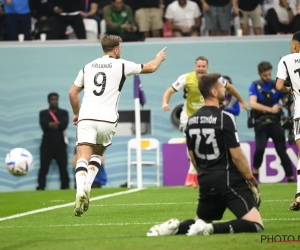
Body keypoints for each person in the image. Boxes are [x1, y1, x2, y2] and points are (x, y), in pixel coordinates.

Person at [147, 73, 263, 237]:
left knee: (199, 222)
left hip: (206, 180)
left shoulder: (192, 121)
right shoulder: (225, 118)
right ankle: (212, 230)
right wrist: (250, 178)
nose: (224, 88)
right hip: (229, 179)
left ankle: (173, 229)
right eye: (221, 86)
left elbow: (192, 156)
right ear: (214, 93)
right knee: (256, 224)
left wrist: (204, 173)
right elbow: (237, 156)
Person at [69, 34, 167, 217]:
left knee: (82, 155)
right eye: (120, 48)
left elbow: (72, 93)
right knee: (98, 153)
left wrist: (76, 113)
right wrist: (158, 58)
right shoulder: (122, 65)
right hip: (107, 120)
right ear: (116, 49)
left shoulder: (88, 67)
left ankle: (80, 189)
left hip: (87, 118)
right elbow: (152, 67)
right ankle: (88, 186)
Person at [162, 56, 248, 188]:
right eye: (198, 66)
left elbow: (230, 88)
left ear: (207, 67)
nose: (201, 69)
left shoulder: (214, 79)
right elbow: (169, 90)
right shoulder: (186, 78)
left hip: (207, 115)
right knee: (191, 142)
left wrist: (242, 101)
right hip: (189, 117)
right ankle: (193, 175)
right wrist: (164, 103)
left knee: (205, 144)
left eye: (203, 66)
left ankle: (197, 175)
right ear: (195, 66)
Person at [249, 61, 294, 183]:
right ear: (260, 74)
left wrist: (289, 103)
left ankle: (290, 177)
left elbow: (285, 101)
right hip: (261, 123)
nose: (267, 77)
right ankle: (255, 173)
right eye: (265, 75)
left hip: (275, 123)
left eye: (269, 74)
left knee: (281, 151)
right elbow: (253, 104)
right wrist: (271, 110)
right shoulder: (255, 86)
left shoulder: (276, 85)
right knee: (260, 149)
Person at [276, 31, 300, 210]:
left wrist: (290, 90)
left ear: (294, 46)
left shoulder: (286, 59)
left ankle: (299, 195)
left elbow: (279, 86)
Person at [37, 93, 69, 190]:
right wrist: (57, 124)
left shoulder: (64, 112)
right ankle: (41, 186)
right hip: (47, 143)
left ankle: (65, 186)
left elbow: (63, 125)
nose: (54, 101)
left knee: (63, 167)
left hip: (60, 144)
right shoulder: (43, 113)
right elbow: (44, 126)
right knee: (44, 166)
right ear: (48, 101)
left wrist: (51, 124)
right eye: (52, 99)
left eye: (56, 99)